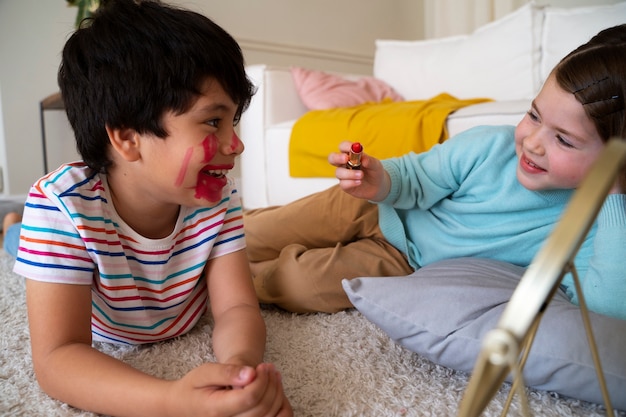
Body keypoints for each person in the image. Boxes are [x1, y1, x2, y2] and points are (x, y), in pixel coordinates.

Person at [7, 1, 292, 416]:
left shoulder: (216, 197)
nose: (237, 145)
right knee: (21, 244)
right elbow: (57, 358)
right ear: (127, 138)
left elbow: (236, 307)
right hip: (62, 238)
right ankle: (13, 230)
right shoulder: (60, 205)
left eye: (234, 122)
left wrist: (238, 372)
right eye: (214, 122)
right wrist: (171, 401)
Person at [244, 24, 626, 317]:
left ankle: (218, 279)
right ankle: (215, 240)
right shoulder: (490, 145)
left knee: (297, 286)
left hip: (407, 263)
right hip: (377, 204)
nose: (533, 142)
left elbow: (605, 311)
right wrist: (381, 179)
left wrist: (614, 194)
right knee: (256, 232)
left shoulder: (597, 227)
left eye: (564, 140)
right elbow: (418, 177)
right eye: (534, 115)